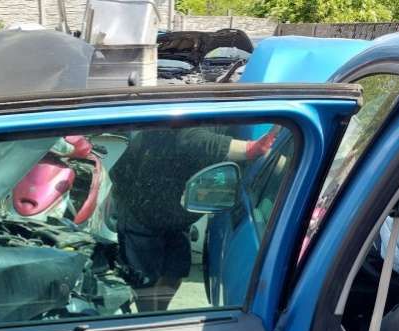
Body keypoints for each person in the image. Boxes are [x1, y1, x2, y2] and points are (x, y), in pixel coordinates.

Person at [111, 126, 277, 311]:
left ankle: (158, 312)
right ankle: (149, 320)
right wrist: (250, 149)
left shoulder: (236, 124)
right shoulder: (186, 124)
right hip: (140, 208)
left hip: (175, 211)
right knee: (145, 281)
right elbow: (191, 139)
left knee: (176, 271)